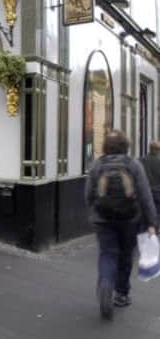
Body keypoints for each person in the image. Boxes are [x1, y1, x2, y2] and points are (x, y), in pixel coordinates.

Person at [84, 130, 157, 320]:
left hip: (103, 219)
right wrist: (151, 222)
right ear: (126, 146)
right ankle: (122, 294)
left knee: (107, 254)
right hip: (130, 219)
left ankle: (106, 285)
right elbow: (144, 195)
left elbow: (88, 195)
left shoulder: (97, 165)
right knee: (125, 255)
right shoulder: (133, 165)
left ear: (105, 146)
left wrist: (93, 213)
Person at [139, 141, 160, 224]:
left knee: (145, 213)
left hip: (144, 192)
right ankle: (155, 229)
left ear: (150, 149)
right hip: (158, 193)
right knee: (157, 213)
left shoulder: (140, 160)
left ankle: (147, 228)